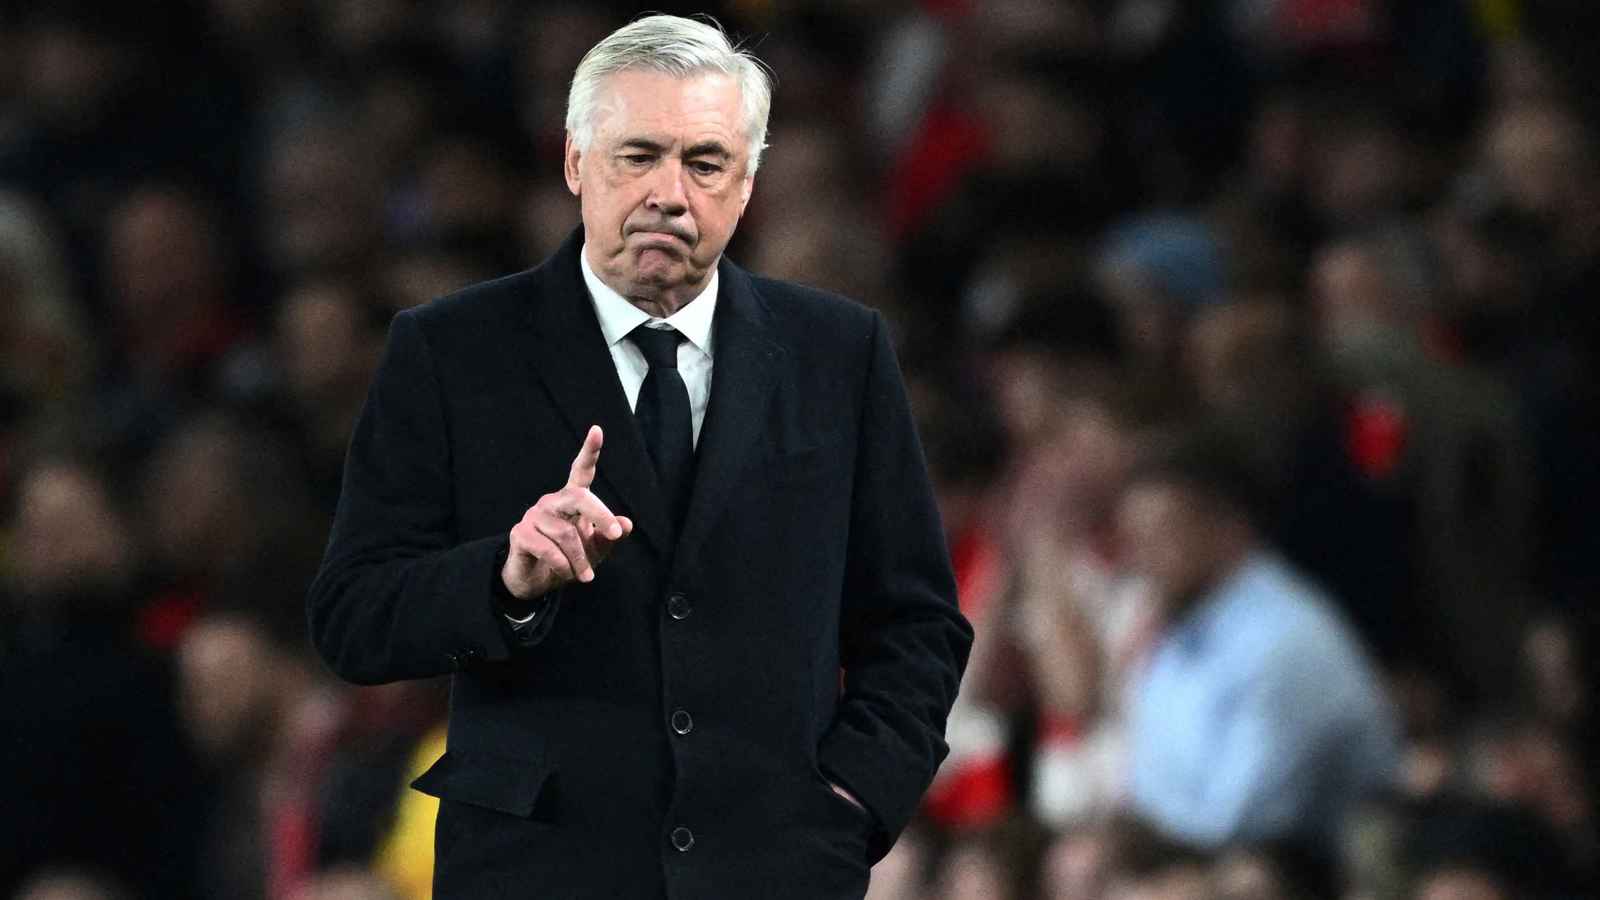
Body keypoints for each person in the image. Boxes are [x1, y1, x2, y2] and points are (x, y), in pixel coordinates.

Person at [305, 15, 972, 900]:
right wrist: (503, 579)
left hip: (774, 874)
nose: (670, 193)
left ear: (747, 185)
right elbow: (353, 615)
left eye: (706, 163)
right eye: (639, 156)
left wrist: (854, 800)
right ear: (576, 163)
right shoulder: (453, 351)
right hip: (536, 872)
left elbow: (917, 624)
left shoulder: (838, 354)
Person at [1115, 431, 1397, 879]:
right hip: (1191, 861)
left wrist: (1137, 843)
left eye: (1163, 533)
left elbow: (1238, 822)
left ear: (1229, 528)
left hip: (1310, 873)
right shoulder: (1179, 629)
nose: (1142, 557)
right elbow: (1146, 784)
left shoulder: (1283, 635)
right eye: (1136, 537)